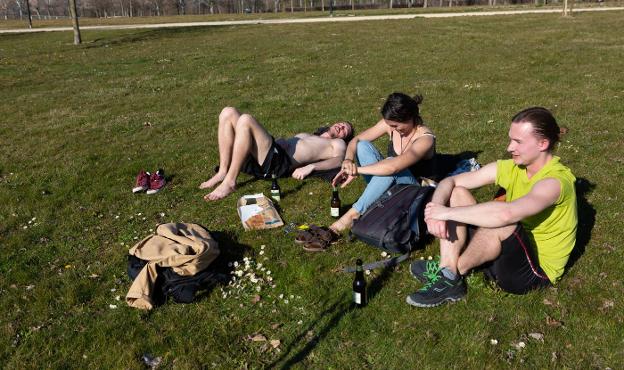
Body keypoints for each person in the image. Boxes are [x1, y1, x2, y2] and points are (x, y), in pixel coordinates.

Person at [406, 107, 577, 308]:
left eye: (518, 142)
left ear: (543, 144)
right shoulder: (512, 167)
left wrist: (445, 213)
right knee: (457, 192)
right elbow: (450, 182)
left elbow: (506, 214)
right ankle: (447, 271)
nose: (509, 147)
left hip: (531, 273)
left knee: (501, 219)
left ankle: (451, 273)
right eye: (511, 139)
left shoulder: (555, 182)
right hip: (506, 250)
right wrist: (436, 208)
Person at [329, 92, 437, 232]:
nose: (392, 129)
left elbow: (393, 167)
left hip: (417, 192)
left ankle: (352, 215)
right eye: (389, 125)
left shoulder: (425, 139)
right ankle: (375, 200)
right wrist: (348, 160)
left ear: (410, 118)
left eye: (395, 126)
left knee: (389, 163)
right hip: (394, 183)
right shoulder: (390, 125)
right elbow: (356, 141)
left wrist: (355, 170)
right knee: (363, 146)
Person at [200, 107, 354, 201]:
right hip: (270, 153)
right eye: (341, 123)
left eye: (345, 129)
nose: (341, 126)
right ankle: (222, 172)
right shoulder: (309, 135)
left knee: (246, 120)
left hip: (278, 163)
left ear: (344, 137)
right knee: (228, 112)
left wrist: (311, 167)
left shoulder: (337, 143)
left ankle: (229, 182)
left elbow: (339, 160)